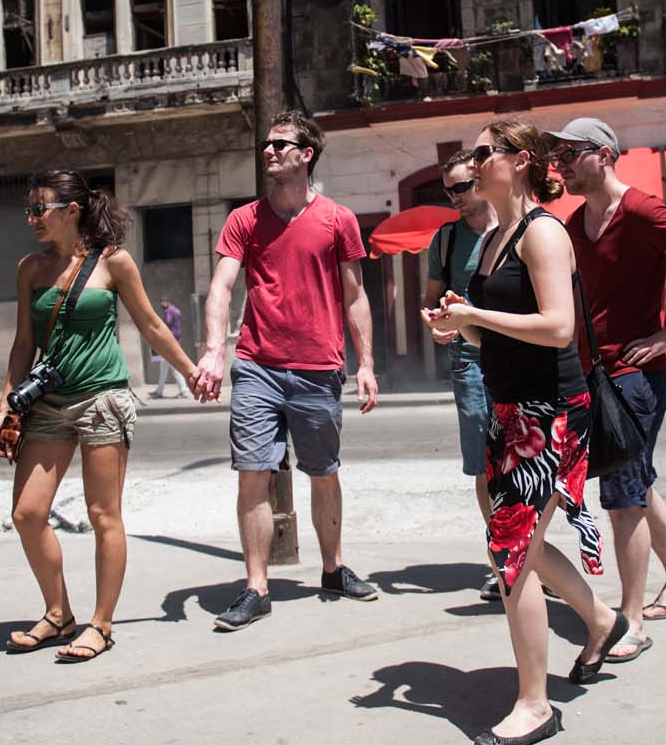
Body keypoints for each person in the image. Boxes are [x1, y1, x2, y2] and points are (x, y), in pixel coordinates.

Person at [425, 119, 625, 745]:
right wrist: (460, 326)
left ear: (520, 160)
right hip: (509, 409)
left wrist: (475, 313)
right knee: (516, 546)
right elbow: (496, 330)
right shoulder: (492, 238)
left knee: (510, 551)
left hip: (550, 412)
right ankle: (600, 619)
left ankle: (535, 704)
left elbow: (558, 327)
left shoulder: (543, 233)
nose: (474, 164)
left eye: (485, 153)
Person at [0, 169, 198, 662]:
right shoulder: (30, 268)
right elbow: (23, 343)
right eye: (30, 210)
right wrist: (3, 405)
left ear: (71, 210)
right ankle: (58, 613)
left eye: (41, 209)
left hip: (102, 400)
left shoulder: (113, 263)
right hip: (48, 404)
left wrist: (189, 371)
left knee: (104, 516)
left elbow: (149, 324)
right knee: (28, 513)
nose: (33, 218)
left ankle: (101, 625)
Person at [191, 110, 381, 632]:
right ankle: (256, 587)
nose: (269, 151)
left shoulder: (337, 219)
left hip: (319, 367)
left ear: (306, 154)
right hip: (257, 365)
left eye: (280, 144)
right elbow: (222, 287)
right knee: (253, 473)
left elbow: (355, 294)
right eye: (266, 145)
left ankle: (333, 568)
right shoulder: (244, 219)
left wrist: (365, 364)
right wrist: (214, 349)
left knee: (323, 471)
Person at [556, 117, 666, 666]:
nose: (559, 163)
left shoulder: (643, 209)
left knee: (623, 495)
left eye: (569, 153)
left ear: (603, 155)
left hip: (633, 376)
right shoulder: (578, 221)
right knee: (638, 478)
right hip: (597, 375)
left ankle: (627, 621)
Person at [423, 149, 501, 601]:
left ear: (482, 179)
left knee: (527, 460)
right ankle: (501, 560)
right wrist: (435, 323)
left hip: (516, 357)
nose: (454, 196)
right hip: (470, 364)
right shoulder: (447, 240)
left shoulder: (514, 227)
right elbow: (434, 302)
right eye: (447, 188)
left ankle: (531, 554)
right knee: (486, 466)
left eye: (461, 187)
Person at [151, 296, 189, 398]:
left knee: (174, 368)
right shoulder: (176, 311)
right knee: (164, 367)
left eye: (163, 302)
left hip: (170, 342)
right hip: (174, 341)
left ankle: (184, 391)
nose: (162, 304)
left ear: (168, 302)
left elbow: (167, 322)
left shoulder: (169, 311)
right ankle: (159, 391)